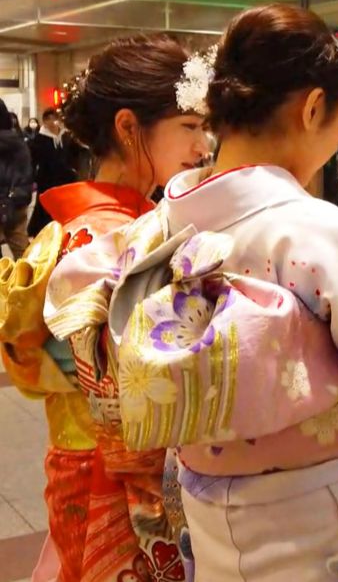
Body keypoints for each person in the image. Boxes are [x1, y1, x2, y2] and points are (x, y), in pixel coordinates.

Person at [47, 3, 338, 581]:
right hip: (325, 521)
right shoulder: (319, 233)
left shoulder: (165, 224)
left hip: (209, 510)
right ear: (313, 108)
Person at [3, 34, 210, 582]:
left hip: (87, 455)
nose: (203, 143)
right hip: (111, 467)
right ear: (127, 127)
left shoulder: (96, 225)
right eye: (189, 127)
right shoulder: (107, 236)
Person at [27, 108, 78, 236]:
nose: (51, 122)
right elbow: (34, 160)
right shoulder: (40, 139)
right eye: (47, 119)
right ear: (44, 121)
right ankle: (43, 231)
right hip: (47, 178)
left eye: (53, 118)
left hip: (65, 178)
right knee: (46, 207)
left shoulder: (65, 136)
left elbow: (73, 155)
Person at [0, 109, 33, 259]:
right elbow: (27, 172)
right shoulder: (19, 142)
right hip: (17, 202)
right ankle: (28, 280)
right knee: (23, 253)